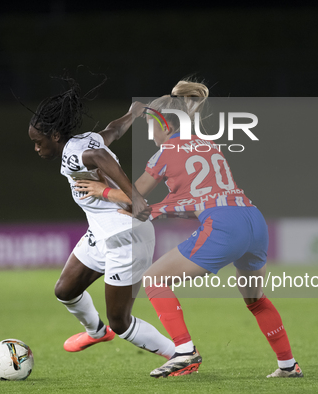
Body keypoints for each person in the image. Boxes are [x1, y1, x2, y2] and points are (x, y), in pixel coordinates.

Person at [73, 80, 303, 379]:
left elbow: (136, 198)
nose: (151, 134)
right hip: (253, 220)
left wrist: (101, 190)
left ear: (164, 125)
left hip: (224, 226)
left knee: (154, 280)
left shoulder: (166, 153)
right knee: (256, 300)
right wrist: (163, 210)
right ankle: (288, 365)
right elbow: (197, 199)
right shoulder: (208, 144)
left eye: (151, 126)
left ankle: (184, 352)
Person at [26, 77, 174, 363]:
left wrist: (135, 198)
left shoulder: (75, 155)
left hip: (126, 237)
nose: (36, 148)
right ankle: (95, 331)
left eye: (37, 142)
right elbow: (112, 131)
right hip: (103, 233)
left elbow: (98, 156)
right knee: (65, 290)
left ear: (55, 136)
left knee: (120, 321)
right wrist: (133, 112)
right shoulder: (84, 141)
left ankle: (179, 354)